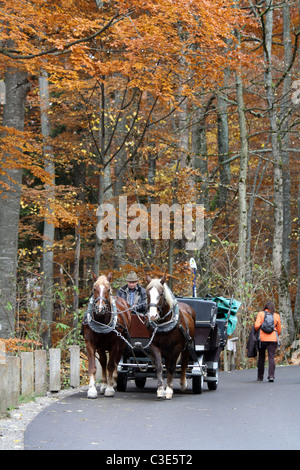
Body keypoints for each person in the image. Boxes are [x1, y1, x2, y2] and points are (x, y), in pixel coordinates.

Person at [254, 301, 281, 382]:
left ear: (265, 307)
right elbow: (279, 329)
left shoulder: (261, 314)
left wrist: (258, 330)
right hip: (273, 339)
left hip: (262, 339)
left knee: (261, 357)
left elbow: (256, 326)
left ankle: (260, 376)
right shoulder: (276, 315)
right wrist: (276, 336)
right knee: (271, 357)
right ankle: (271, 376)